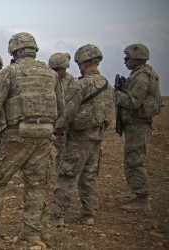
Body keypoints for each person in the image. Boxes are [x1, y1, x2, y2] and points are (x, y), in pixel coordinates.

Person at [0, 32, 63, 244]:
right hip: (44, 135)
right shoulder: (51, 74)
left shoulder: (10, 72)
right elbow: (60, 107)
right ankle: (32, 234)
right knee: (37, 185)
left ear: (14, 52)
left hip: (17, 134)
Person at [49, 44, 115, 227]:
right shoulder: (107, 85)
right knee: (89, 176)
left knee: (67, 175)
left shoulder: (81, 85)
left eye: (79, 62)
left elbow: (68, 112)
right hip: (97, 138)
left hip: (79, 138)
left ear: (85, 62)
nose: (78, 66)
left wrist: (57, 130)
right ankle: (88, 215)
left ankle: (58, 215)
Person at [115, 43, 161, 213]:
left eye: (127, 58)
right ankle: (140, 195)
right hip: (137, 124)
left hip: (138, 125)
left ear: (136, 58)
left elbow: (133, 102)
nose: (125, 61)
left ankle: (143, 200)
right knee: (134, 159)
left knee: (134, 160)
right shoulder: (141, 74)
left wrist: (117, 95)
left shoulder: (141, 78)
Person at [48, 53, 77, 178]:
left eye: (58, 69)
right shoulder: (49, 80)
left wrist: (59, 130)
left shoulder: (73, 83)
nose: (56, 72)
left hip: (65, 125)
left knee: (64, 152)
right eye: (53, 69)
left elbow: (71, 107)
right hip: (50, 121)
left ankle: (61, 177)